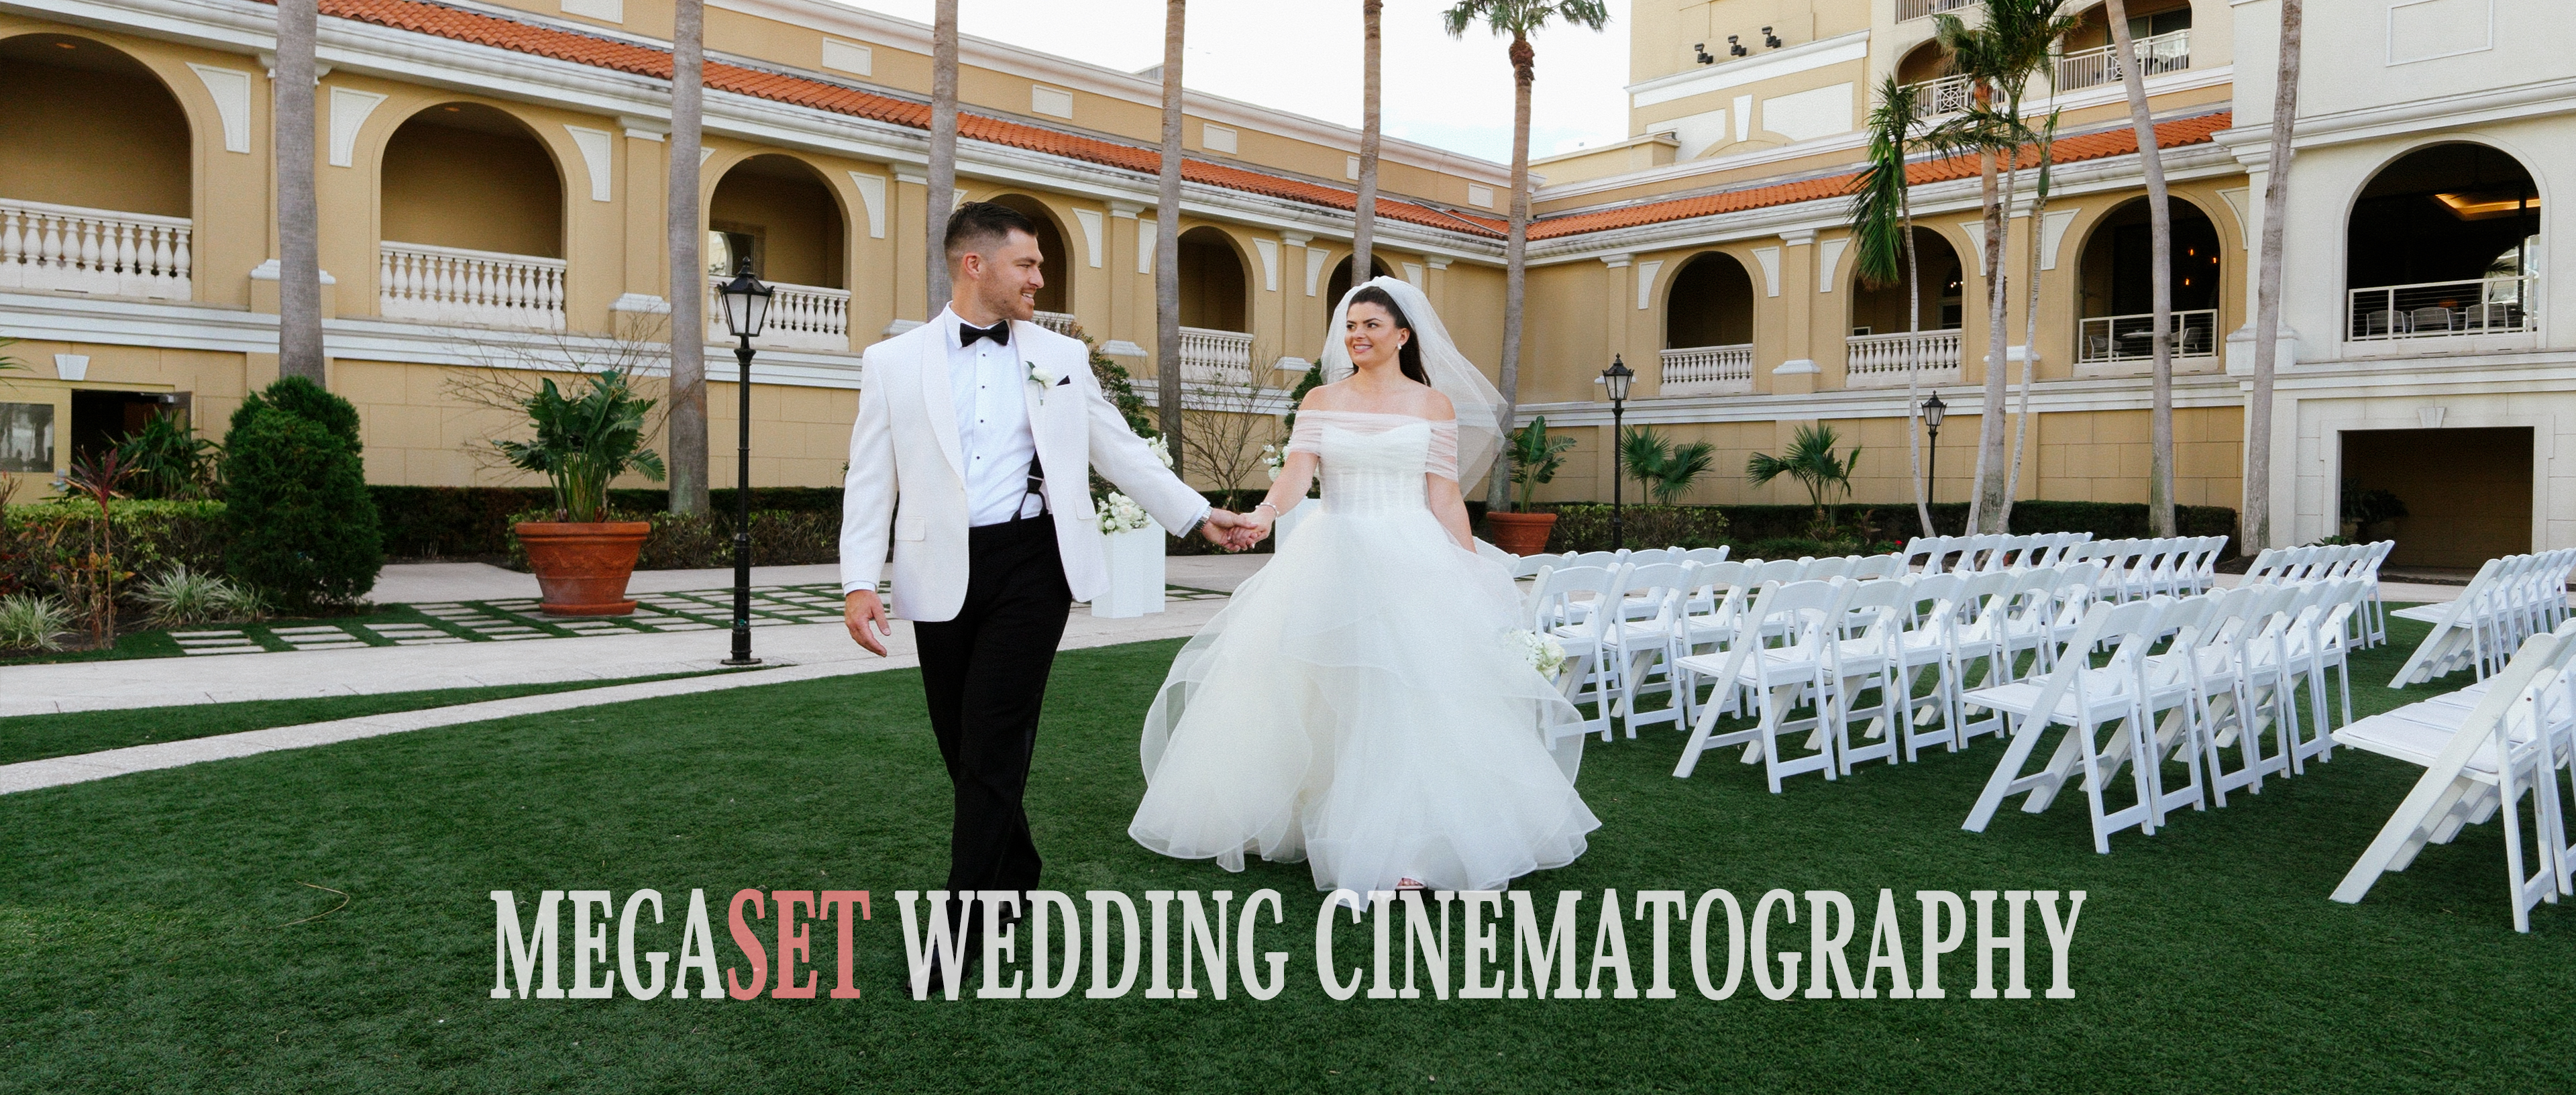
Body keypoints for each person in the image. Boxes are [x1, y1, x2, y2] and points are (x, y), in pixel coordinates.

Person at [839, 201, 1244, 988]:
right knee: (961, 743)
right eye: (1026, 264)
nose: (1039, 278)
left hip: (1037, 563)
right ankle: (1017, 865)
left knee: (993, 736)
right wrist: (860, 580)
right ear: (975, 265)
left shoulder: (1061, 355)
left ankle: (961, 931)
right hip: (941, 570)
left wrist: (1197, 516)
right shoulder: (891, 363)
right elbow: (869, 477)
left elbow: (1116, 448)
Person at [1128, 277, 1598, 894]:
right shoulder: (1321, 400)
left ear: (1403, 335)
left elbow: (1445, 494)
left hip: (1411, 558)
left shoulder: (1433, 406)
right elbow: (1296, 480)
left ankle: (1415, 851)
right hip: (1332, 551)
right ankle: (1302, 816)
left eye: (1371, 325)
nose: (1357, 336)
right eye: (1351, 326)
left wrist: (1469, 566)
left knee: (1409, 699)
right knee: (1319, 693)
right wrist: (1261, 519)